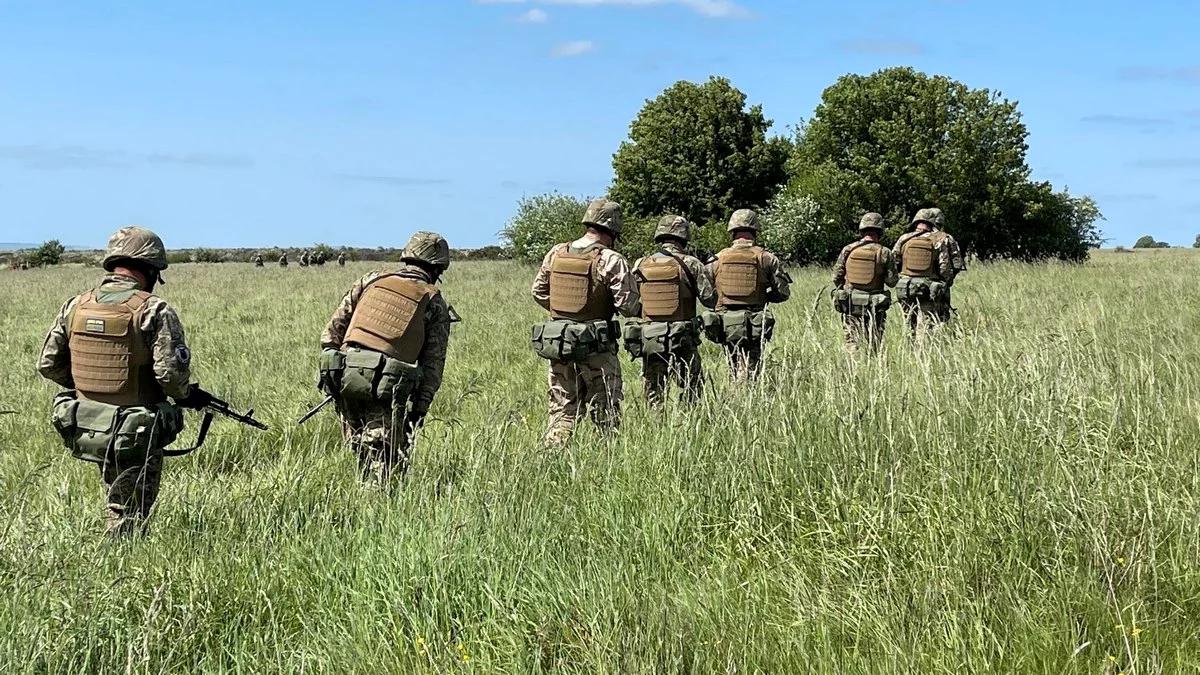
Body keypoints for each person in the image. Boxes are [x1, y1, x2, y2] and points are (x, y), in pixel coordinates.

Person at [37, 226, 197, 536]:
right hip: (134, 428)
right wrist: (183, 394)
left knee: (116, 494)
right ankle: (121, 563)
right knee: (130, 513)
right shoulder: (153, 309)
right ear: (150, 269)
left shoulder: (76, 305)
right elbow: (170, 376)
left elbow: (48, 364)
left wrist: (92, 386)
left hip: (87, 423)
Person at [319, 232, 453, 483]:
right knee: (385, 463)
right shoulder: (434, 301)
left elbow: (331, 333)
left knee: (359, 448)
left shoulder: (371, 279)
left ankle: (360, 495)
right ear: (438, 268)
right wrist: (420, 409)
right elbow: (433, 365)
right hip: (386, 387)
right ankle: (374, 509)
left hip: (344, 375)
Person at [531, 198, 639, 446]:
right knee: (605, 409)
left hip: (560, 344)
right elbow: (628, 305)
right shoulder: (611, 259)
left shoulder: (557, 253)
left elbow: (538, 291)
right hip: (597, 348)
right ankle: (606, 461)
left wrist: (564, 314)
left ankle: (552, 457)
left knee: (562, 409)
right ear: (612, 229)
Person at [628, 215, 716, 406]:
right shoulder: (691, 264)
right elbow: (710, 300)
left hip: (652, 338)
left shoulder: (640, 263)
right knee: (692, 384)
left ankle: (656, 425)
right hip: (682, 337)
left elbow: (632, 300)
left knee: (653, 388)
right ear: (684, 237)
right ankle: (690, 422)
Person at [703, 209, 791, 379]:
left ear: (732, 232)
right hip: (754, 320)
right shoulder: (766, 258)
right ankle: (746, 396)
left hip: (726, 322)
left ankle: (736, 392)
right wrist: (765, 296)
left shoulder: (716, 259)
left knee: (733, 363)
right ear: (755, 231)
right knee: (752, 368)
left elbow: (706, 294)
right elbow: (783, 292)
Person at [893, 207, 966, 336]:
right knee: (926, 327)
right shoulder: (940, 239)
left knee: (909, 325)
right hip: (927, 290)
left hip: (905, 289)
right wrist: (945, 284)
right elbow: (945, 268)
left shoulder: (904, 239)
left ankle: (908, 351)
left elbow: (895, 263)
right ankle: (922, 354)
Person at [831, 213, 898, 353]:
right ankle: (873, 369)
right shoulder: (885, 252)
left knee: (851, 342)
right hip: (874, 305)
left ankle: (852, 371)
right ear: (880, 231)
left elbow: (836, 277)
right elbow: (892, 282)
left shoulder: (848, 249)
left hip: (851, 303)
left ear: (862, 230)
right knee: (875, 342)